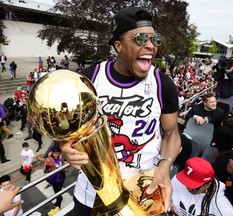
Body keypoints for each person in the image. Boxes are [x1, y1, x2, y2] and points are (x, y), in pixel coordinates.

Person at [60, 6, 181, 215]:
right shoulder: (89, 79)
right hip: (92, 192)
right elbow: (69, 132)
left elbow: (171, 133)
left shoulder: (163, 84)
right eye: (141, 39)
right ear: (119, 46)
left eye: (154, 40)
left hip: (144, 190)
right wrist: (66, 147)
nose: (151, 46)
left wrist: (165, 165)